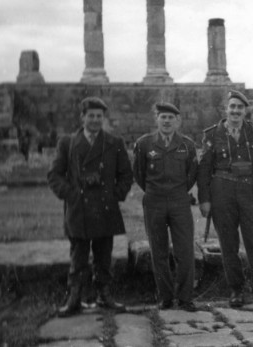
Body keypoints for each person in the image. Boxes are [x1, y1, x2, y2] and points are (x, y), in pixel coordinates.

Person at [197, 90, 253, 314]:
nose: (235, 111)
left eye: (239, 107)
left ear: (245, 111)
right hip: (222, 191)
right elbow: (204, 170)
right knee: (228, 244)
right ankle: (236, 289)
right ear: (225, 110)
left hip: (249, 191)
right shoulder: (211, 134)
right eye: (232, 107)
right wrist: (205, 199)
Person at [48, 96, 133, 317]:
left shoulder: (114, 143)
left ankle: (104, 296)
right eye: (91, 116)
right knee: (78, 257)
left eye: (99, 116)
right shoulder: (67, 143)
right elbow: (54, 174)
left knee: (104, 256)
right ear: (82, 117)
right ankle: (74, 299)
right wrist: (71, 195)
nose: (95, 120)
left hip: (105, 208)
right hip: (79, 210)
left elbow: (126, 174)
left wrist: (115, 194)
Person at [133, 102, 198, 312]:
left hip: (180, 201)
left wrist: (178, 192)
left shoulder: (187, 145)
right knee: (158, 251)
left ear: (178, 121)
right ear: (157, 120)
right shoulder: (144, 144)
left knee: (185, 250)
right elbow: (139, 174)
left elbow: (192, 175)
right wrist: (156, 191)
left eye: (171, 118)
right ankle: (166, 297)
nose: (167, 121)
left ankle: (186, 297)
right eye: (163, 117)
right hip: (154, 202)